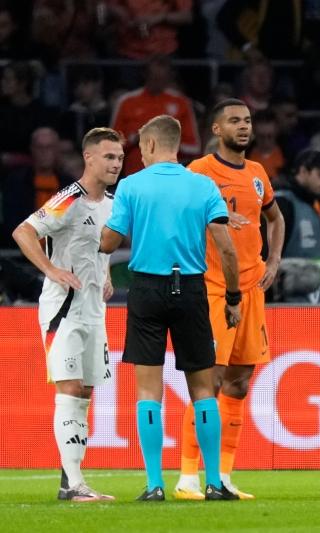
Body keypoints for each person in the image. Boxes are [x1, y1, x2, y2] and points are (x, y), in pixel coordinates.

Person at [99, 115, 242, 501]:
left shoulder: (131, 186)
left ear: (148, 145)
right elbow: (226, 249)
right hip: (192, 289)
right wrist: (232, 297)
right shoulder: (203, 185)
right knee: (203, 390)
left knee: (148, 390)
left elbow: (110, 243)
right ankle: (214, 483)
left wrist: (102, 231)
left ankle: (154, 485)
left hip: (146, 288)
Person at [174, 99, 285, 500]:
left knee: (239, 382)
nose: (244, 126)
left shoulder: (257, 173)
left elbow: (275, 217)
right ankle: (188, 477)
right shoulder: (200, 171)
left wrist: (273, 259)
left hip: (252, 287)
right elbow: (177, 217)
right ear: (216, 130)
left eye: (248, 120)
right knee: (210, 379)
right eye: (234, 121)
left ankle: (222, 476)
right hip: (213, 288)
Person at [11, 127, 124, 502]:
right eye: (109, 157)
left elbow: (99, 248)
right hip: (64, 311)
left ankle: (70, 482)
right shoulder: (68, 198)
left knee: (86, 392)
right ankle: (74, 485)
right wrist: (51, 270)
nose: (116, 164)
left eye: (120, 158)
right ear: (88, 158)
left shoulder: (112, 202)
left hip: (95, 310)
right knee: (70, 388)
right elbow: (23, 231)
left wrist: (105, 275)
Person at [110, 55, 201, 177]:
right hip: (135, 177)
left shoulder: (182, 103)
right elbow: (111, 145)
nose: (157, 82)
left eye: (161, 78)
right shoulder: (126, 102)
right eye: (154, 77)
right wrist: (134, 139)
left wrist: (167, 142)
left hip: (170, 177)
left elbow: (194, 148)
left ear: (169, 77)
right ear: (145, 75)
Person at [274, 149, 320, 304]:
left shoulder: (314, 204)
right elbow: (265, 257)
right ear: (303, 171)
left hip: (317, 302)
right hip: (290, 307)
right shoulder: (283, 204)